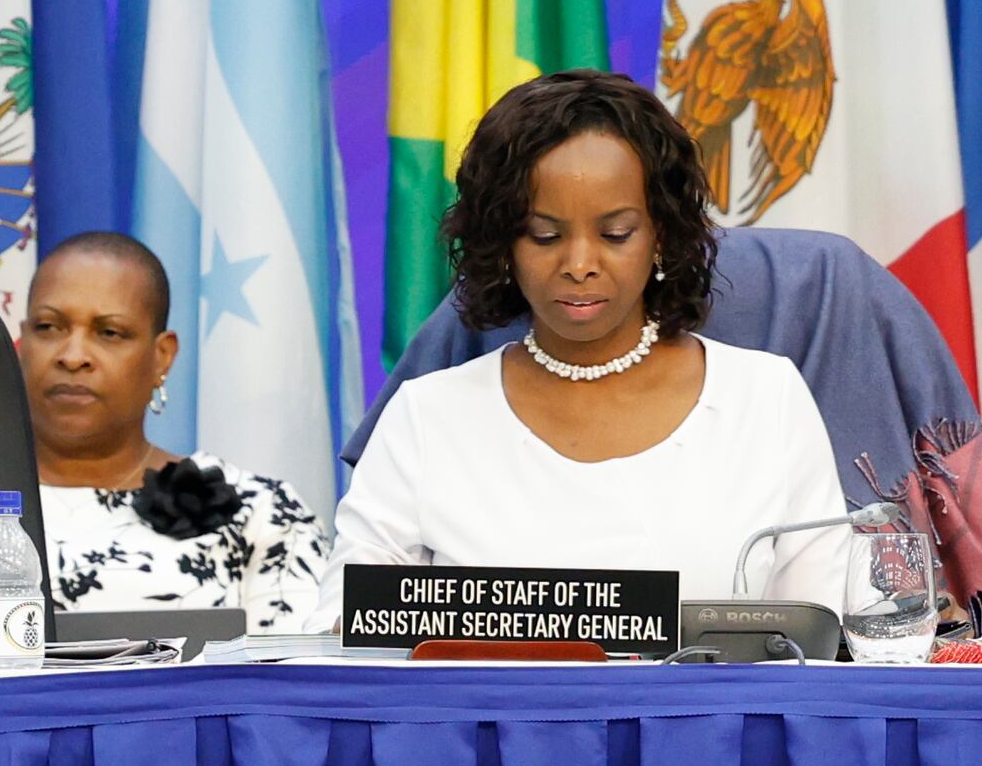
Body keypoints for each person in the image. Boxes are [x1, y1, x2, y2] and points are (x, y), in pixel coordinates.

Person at [337, 69, 854, 607]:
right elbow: (343, 642)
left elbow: (819, 642)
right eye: (544, 235)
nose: (579, 264)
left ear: (661, 234)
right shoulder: (426, 417)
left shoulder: (765, 397)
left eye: (615, 234)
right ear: (502, 246)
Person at [21, 230, 338, 633]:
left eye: (109, 333)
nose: (72, 356)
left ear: (162, 357)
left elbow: (294, 686)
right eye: (49, 327)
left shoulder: (260, 514)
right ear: (20, 340)